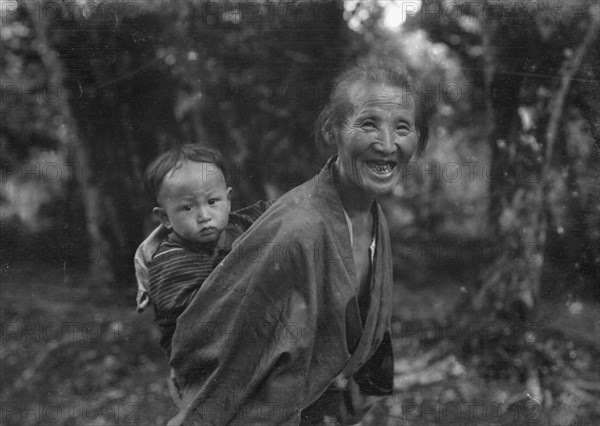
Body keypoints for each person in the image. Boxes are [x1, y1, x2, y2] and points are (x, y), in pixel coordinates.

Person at [167, 59, 429, 425]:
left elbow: (371, 328)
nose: (387, 145)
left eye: (402, 127)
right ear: (331, 131)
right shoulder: (299, 229)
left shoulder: (372, 216)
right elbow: (234, 344)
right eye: (368, 123)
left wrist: (360, 396)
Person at [133, 145, 272, 396]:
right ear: (164, 218)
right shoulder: (170, 261)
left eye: (212, 201)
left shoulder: (237, 224)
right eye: (187, 208)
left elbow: (280, 214)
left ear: (228, 199)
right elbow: (196, 312)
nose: (204, 215)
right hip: (201, 362)